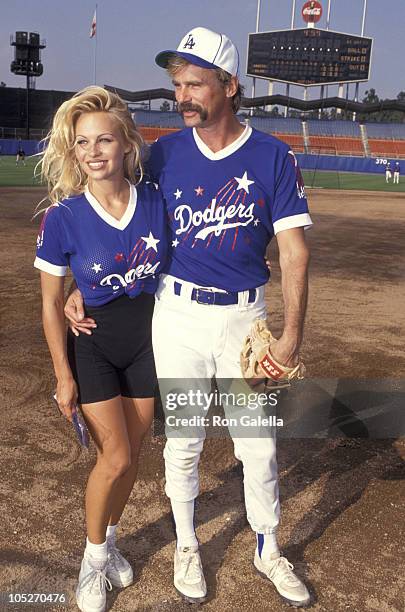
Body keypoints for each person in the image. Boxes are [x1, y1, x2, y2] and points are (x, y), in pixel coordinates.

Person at [65, 28, 312, 608]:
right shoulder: (162, 154)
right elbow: (115, 213)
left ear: (230, 85)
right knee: (183, 441)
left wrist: (292, 337)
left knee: (259, 443)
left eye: (195, 83)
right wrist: (82, 281)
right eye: (178, 84)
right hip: (175, 317)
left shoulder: (273, 155)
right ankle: (185, 544)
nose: (183, 96)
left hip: (245, 320)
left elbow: (295, 250)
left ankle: (267, 546)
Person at [35, 86, 167, 612]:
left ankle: (109, 544)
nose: (94, 151)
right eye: (83, 143)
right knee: (112, 457)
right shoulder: (63, 218)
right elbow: (49, 306)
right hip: (92, 345)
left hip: (146, 342)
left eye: (104, 139)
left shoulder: (155, 200)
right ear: (74, 152)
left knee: (133, 457)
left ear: (127, 143)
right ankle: (91, 562)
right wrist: (62, 376)